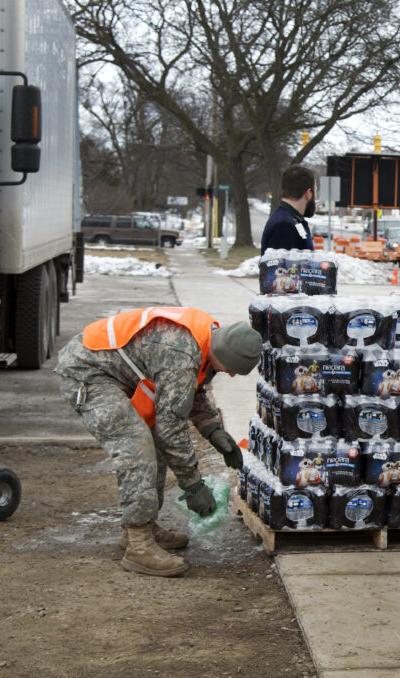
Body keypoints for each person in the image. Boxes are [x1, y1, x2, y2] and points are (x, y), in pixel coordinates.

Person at [55, 307, 263, 578]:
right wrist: (193, 486)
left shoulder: (206, 339)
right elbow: (172, 427)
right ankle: (139, 548)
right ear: (224, 354)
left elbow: (189, 389)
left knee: (154, 444)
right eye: (232, 370)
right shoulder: (181, 352)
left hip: (111, 371)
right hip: (88, 373)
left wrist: (212, 430)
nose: (232, 375)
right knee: (136, 446)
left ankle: (143, 528)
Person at [260, 165, 317, 254]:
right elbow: (280, 267)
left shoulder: (292, 220)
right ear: (308, 194)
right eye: (315, 191)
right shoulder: (284, 225)